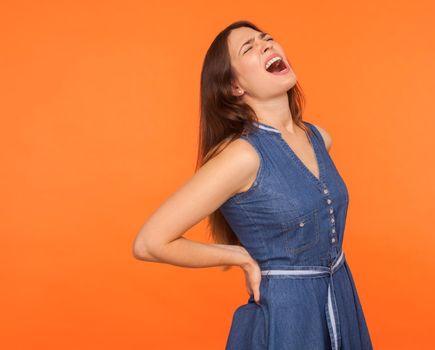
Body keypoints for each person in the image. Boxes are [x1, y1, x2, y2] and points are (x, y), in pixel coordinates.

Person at [132, 20, 373, 350]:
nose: (267, 45)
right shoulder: (242, 156)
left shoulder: (319, 137)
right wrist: (241, 257)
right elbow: (149, 243)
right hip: (289, 317)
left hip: (341, 298)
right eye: (249, 48)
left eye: (268, 39)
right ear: (234, 87)